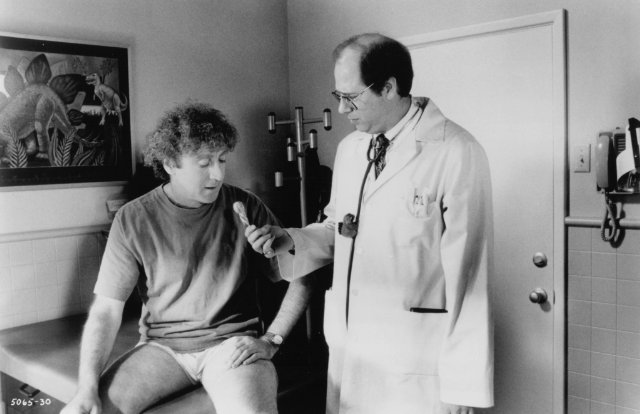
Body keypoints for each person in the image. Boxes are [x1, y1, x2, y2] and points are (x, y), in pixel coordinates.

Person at [246, 33, 494, 414]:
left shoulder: (456, 151)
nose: (341, 109)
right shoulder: (351, 149)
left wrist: (463, 387)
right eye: (337, 96)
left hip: (417, 363)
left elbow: (471, 278)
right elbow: (340, 229)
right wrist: (289, 240)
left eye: (351, 96)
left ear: (389, 87)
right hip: (354, 353)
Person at [61, 102, 312, 414]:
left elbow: (304, 274)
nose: (217, 174)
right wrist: (86, 388)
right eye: (204, 163)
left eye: (222, 160)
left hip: (231, 347)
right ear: (170, 163)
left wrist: (272, 339)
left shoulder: (246, 207)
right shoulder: (132, 219)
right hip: (163, 349)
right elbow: (106, 311)